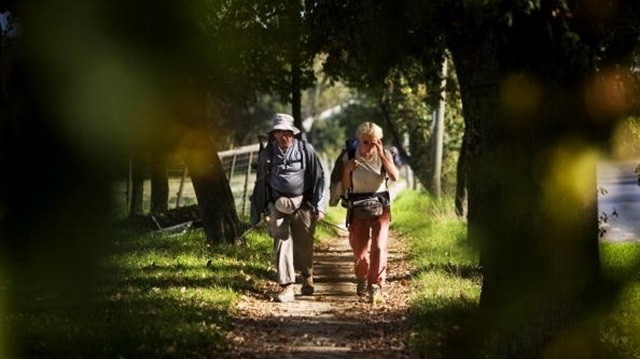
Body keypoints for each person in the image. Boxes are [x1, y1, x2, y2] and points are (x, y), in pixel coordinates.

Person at [250, 113, 326, 303]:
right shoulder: (267, 154)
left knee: (304, 243)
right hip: (277, 204)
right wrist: (261, 210)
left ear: (293, 133)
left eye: (287, 133)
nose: (283, 137)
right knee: (281, 241)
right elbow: (260, 183)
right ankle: (286, 286)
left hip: (304, 204)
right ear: (274, 134)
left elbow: (319, 178)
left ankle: (307, 275)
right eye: (279, 133)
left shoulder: (306, 149)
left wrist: (319, 206)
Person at [341, 122, 399, 303]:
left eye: (374, 142)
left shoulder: (385, 154)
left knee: (379, 246)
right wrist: (348, 169)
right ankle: (361, 277)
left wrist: (382, 156)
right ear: (359, 140)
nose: (369, 146)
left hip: (380, 205)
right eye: (366, 142)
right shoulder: (350, 155)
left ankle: (375, 285)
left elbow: (395, 177)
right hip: (357, 205)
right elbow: (345, 185)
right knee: (359, 250)